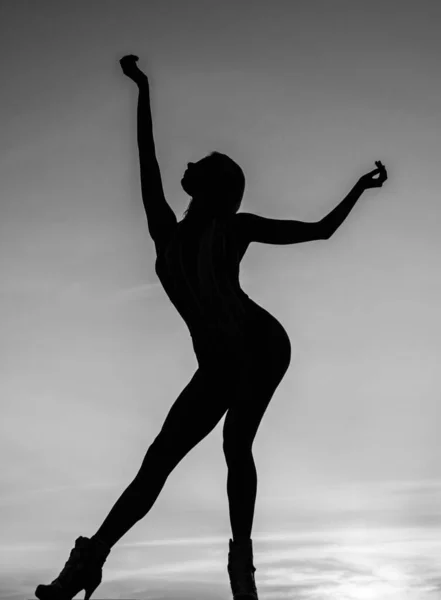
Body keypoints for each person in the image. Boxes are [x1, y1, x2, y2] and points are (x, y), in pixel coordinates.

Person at [35, 55, 388, 600]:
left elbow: (319, 231)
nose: (191, 164)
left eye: (206, 164)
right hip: (217, 364)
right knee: (157, 461)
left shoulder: (235, 227)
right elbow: (146, 159)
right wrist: (142, 89)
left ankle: (241, 572)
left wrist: (361, 188)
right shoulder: (166, 235)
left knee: (234, 444)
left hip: (261, 344)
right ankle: (88, 563)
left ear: (216, 187)